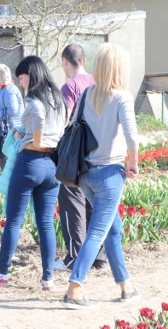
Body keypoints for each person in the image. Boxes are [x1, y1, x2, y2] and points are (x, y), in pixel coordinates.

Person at [62, 44, 140, 309]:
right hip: (110, 174)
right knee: (98, 231)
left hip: (85, 175)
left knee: (113, 229)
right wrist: (134, 163)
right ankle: (75, 287)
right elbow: (131, 135)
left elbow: (72, 128)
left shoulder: (87, 94)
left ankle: (125, 285)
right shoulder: (122, 97)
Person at [0, 56, 66, 292]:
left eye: (22, 77)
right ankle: (48, 279)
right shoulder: (58, 99)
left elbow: (38, 116)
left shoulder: (35, 98)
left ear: (32, 74)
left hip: (30, 162)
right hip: (53, 166)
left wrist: (34, 140)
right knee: (46, 223)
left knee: (14, 221)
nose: (21, 83)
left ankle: (1, 272)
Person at [55, 44, 107, 272]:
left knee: (72, 202)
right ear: (84, 60)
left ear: (66, 61)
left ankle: (75, 256)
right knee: (93, 203)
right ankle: (99, 256)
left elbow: (64, 123)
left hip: (76, 155)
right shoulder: (98, 84)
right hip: (97, 152)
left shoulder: (70, 87)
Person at [0, 63, 24, 169]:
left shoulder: (9, 90)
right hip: (9, 133)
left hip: (12, 133)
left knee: (8, 166)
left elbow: (13, 111)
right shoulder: (4, 90)